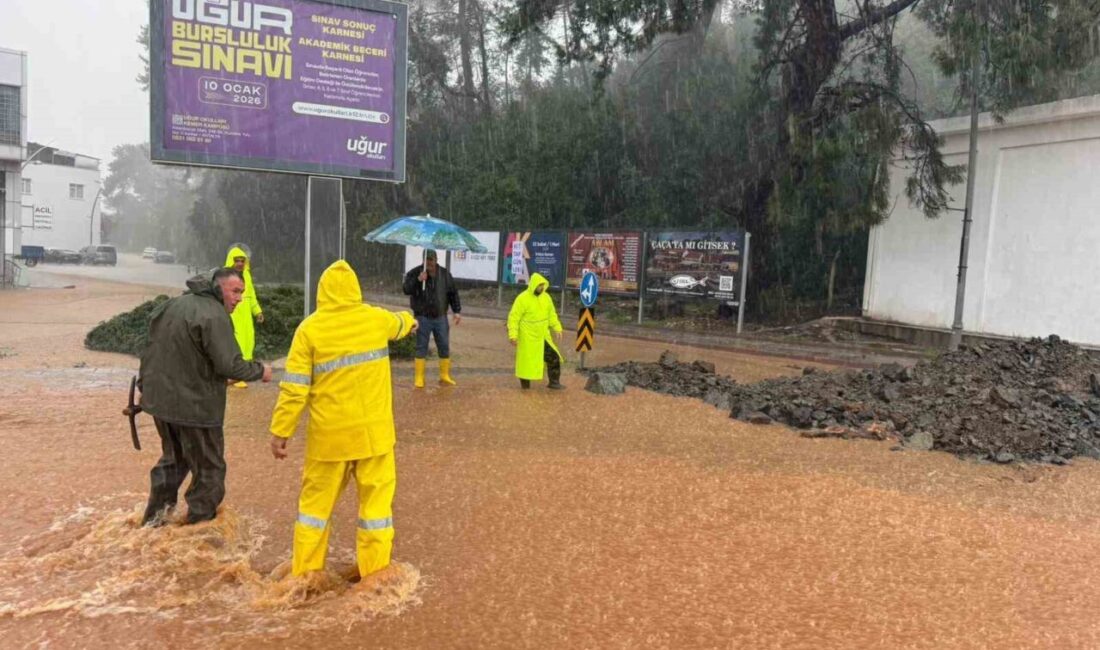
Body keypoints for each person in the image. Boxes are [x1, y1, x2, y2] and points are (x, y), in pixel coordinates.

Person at [269, 260, 418, 580]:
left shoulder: (309, 329)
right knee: (376, 513)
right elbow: (400, 322)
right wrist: (411, 321)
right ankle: (376, 579)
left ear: (322, 291)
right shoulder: (375, 319)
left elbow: (294, 388)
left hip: (329, 440)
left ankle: (305, 579)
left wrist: (281, 431)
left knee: (313, 512)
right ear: (355, 290)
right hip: (374, 438)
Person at [138, 268, 273, 527]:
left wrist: (146, 388)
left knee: (173, 462)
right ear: (217, 286)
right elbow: (230, 365)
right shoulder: (214, 314)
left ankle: (153, 524)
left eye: (242, 293)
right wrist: (261, 371)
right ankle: (200, 532)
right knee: (209, 470)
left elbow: (152, 351)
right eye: (235, 291)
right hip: (196, 409)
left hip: (160, 404)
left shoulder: (172, 305)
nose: (239, 298)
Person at [402, 250, 461, 388]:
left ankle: (444, 375)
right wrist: (418, 280)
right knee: (421, 347)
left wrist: (457, 311)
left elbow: (453, 293)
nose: (429, 262)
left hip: (440, 317)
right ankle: (419, 378)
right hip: (422, 317)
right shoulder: (415, 272)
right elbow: (406, 289)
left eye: (431, 259)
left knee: (444, 346)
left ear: (436, 259)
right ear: (423, 260)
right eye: (426, 259)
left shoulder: (445, 274)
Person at [507, 273, 565, 390]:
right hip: (527, 336)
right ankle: (525, 386)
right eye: (539, 285)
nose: (541, 287)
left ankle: (554, 382)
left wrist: (557, 327)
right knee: (526, 362)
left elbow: (551, 315)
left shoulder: (546, 298)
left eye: (543, 285)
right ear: (533, 285)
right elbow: (513, 318)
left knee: (553, 357)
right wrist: (513, 335)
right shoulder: (522, 298)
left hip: (543, 336)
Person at [224, 245, 264, 388]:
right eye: (237, 260)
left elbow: (251, 296)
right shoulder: (225, 277)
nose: (240, 263)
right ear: (231, 261)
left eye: (242, 260)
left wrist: (257, 312)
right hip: (233, 315)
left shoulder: (247, 276)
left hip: (246, 317)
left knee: (248, 342)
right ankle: (234, 375)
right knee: (236, 343)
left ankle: (244, 373)